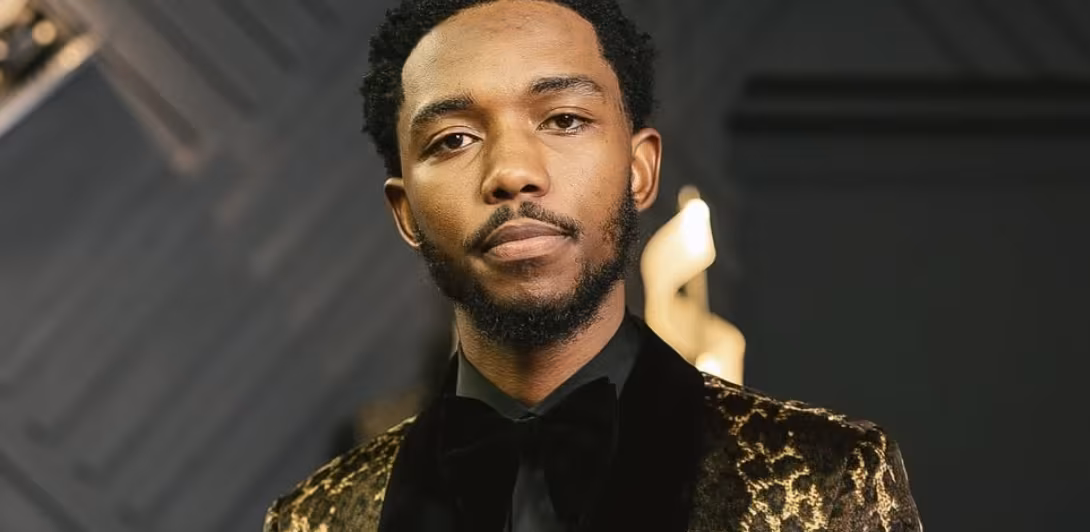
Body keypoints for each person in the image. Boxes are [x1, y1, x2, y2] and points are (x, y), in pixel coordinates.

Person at [262, 1, 922, 531]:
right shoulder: (317, 518)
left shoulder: (829, 478)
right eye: (454, 138)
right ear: (406, 213)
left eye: (564, 119)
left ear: (640, 170)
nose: (512, 172)